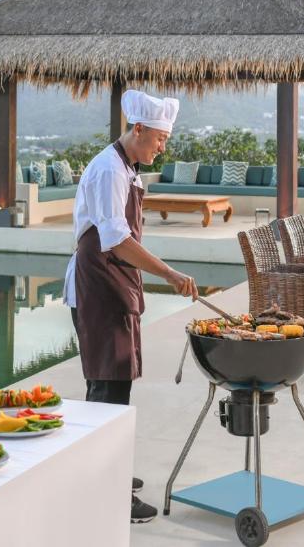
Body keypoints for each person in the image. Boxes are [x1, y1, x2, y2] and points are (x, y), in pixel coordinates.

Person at [64, 89, 198, 524]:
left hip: (112, 285)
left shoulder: (126, 166)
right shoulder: (109, 171)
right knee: (108, 392)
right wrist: (172, 275)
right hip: (98, 288)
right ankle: (109, 493)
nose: (163, 147)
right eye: (159, 139)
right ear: (138, 129)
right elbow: (117, 240)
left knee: (110, 386)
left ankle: (99, 474)